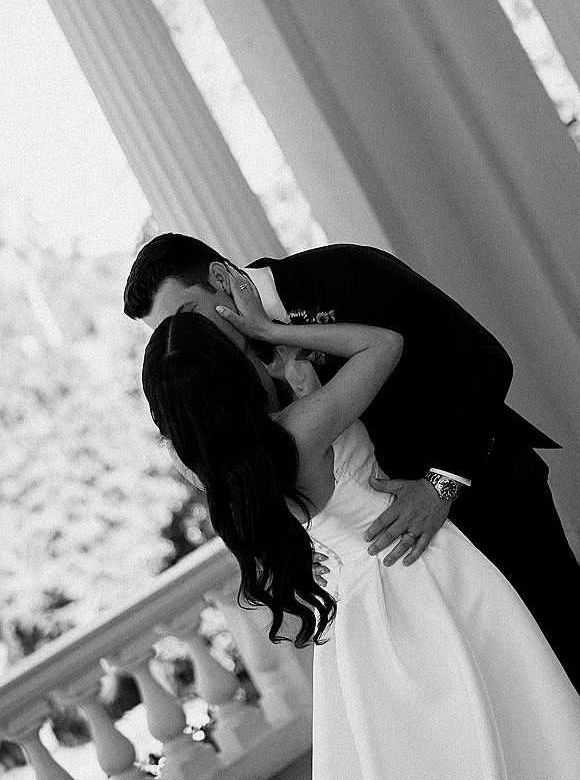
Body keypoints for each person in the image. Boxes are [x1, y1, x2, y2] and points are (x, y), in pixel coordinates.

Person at [140, 265, 580, 780]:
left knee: (424, 749)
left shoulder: (214, 474)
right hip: (423, 568)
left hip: (355, 611)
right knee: (519, 712)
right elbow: (383, 345)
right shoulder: (301, 427)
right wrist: (274, 332)